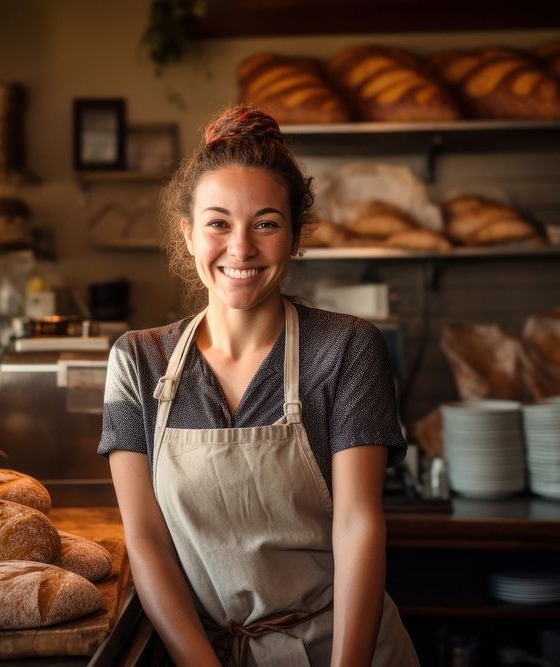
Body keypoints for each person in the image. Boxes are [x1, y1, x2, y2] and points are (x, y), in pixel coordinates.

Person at [98, 104, 419, 666]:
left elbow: (358, 524)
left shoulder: (345, 348)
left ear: (295, 236)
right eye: (218, 223)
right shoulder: (139, 362)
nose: (241, 248)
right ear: (189, 235)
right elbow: (145, 539)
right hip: (208, 653)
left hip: (337, 645)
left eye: (266, 223)